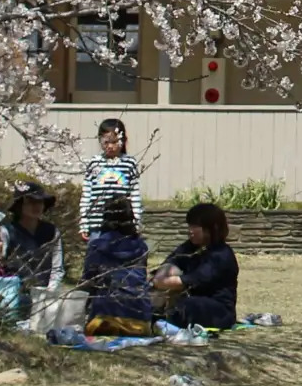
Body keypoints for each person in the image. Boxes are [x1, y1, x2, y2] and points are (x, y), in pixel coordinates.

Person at [156, 201, 240, 330]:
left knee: (187, 306)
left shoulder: (221, 255)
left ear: (213, 228)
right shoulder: (189, 247)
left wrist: (158, 283)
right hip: (188, 300)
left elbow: (189, 281)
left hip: (218, 310)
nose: (190, 231)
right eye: (189, 225)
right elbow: (171, 262)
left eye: (195, 226)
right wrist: (162, 274)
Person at [80, 194, 154, 337]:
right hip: (140, 322)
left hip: (104, 321)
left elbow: (87, 282)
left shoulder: (97, 246)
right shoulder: (142, 247)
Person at [80, 118, 143, 243]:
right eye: (105, 142)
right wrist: (84, 222)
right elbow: (87, 194)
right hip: (97, 223)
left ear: (123, 141)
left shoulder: (129, 163)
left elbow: (134, 194)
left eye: (114, 142)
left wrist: (137, 221)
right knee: (97, 256)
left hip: (123, 223)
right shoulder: (94, 162)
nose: (110, 146)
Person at [3, 182, 65, 294]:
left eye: (40, 202)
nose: (36, 206)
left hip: (43, 293)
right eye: (31, 202)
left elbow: (57, 267)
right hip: (13, 293)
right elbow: (0, 264)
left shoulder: (52, 231)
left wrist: (50, 290)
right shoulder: (7, 231)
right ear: (19, 205)